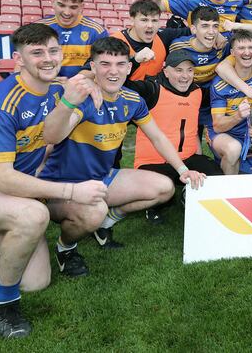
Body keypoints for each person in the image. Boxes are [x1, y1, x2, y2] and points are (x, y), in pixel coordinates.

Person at [0, 24, 108, 338]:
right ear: (18, 59)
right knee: (33, 216)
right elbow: (0, 178)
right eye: (36, 52)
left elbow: (53, 135)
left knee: (36, 281)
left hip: (17, 188)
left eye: (52, 51)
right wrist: (71, 190)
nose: (47, 58)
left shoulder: (56, 90)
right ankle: (5, 306)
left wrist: (72, 101)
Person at [41, 37, 204, 252]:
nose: (113, 71)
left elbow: (157, 137)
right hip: (61, 185)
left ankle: (105, 223)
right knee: (94, 211)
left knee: (165, 188)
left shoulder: (132, 99)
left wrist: (182, 170)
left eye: (120, 65)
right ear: (93, 67)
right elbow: (52, 137)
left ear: (129, 68)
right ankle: (66, 248)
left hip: (102, 177)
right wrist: (70, 102)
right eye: (105, 64)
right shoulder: (83, 98)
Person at [125, 49, 223, 223]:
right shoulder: (152, 89)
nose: (185, 76)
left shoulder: (197, 92)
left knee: (216, 176)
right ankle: (153, 206)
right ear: (166, 71)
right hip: (153, 162)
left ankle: (188, 193)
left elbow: (222, 97)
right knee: (165, 192)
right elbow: (122, 82)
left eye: (190, 70)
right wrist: (135, 60)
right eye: (178, 70)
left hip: (187, 158)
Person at [209, 30, 252, 175]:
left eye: (251, 48)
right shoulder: (219, 84)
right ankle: (226, 195)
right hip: (225, 134)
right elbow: (218, 125)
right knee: (233, 149)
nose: (247, 52)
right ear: (232, 52)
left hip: (250, 134)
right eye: (241, 48)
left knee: (245, 178)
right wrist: (238, 116)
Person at [168, 6, 230, 140]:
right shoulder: (179, 46)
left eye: (215, 26)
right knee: (189, 142)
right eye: (205, 26)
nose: (211, 31)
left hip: (211, 100)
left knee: (219, 144)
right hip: (187, 97)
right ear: (193, 29)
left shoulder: (223, 45)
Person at [37, 0, 108, 78]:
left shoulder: (97, 32)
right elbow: (25, 63)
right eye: (61, 5)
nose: (67, 12)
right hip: (45, 86)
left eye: (73, 7)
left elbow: (101, 64)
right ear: (52, 2)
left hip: (81, 87)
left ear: (82, 7)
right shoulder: (38, 28)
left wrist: (74, 83)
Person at [109, 0, 189, 82]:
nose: (150, 25)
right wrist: (135, 60)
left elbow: (193, 30)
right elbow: (109, 77)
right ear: (132, 20)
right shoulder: (114, 42)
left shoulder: (163, 36)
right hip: (122, 92)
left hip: (152, 92)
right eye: (144, 20)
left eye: (154, 20)